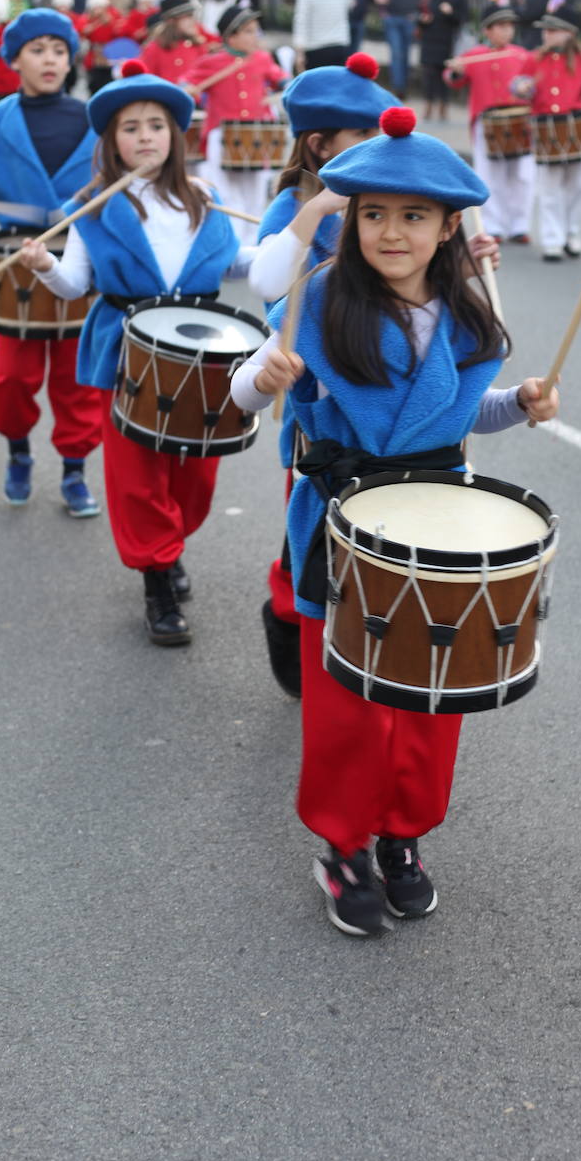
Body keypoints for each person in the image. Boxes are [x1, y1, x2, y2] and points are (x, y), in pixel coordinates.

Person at [231, 108, 559, 936]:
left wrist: (516, 405)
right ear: (351, 217)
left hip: (436, 523)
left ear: (450, 228)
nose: (391, 232)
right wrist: (263, 380)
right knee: (345, 706)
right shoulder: (317, 303)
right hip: (341, 527)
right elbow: (240, 391)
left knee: (428, 698)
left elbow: (455, 417)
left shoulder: (469, 316)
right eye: (373, 213)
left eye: (414, 217)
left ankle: (402, 836)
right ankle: (341, 845)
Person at [16, 63, 253, 644]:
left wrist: (292, 246)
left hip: (204, 350)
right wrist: (45, 265)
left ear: (175, 136)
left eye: (156, 125)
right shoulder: (93, 203)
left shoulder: (204, 196)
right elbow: (76, 281)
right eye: (130, 127)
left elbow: (239, 262)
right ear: (111, 140)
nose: (145, 136)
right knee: (136, 474)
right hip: (127, 347)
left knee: (195, 475)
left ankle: (169, 546)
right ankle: (156, 578)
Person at [248, 52, 398, 696]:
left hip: (388, 400)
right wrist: (314, 217)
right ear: (318, 145)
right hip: (320, 416)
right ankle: (287, 615)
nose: (375, 147)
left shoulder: (382, 204)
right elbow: (264, 282)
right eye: (361, 136)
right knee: (307, 534)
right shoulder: (294, 205)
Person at [0, 8, 104, 516]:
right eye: (38, 50)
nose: (51, 60)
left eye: (59, 50)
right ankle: (18, 452)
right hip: (17, 261)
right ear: (14, 59)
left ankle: (74, 469)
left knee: (75, 381)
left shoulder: (93, 117)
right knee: (10, 379)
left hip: (79, 261)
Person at [182, 4, 286, 242]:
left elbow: (278, 77)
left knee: (256, 194)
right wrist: (186, 89)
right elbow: (187, 83)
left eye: (256, 30)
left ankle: (253, 244)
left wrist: (287, 85)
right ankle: (232, 244)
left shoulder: (262, 58)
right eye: (249, 31)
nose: (255, 37)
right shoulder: (212, 61)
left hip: (257, 135)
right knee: (227, 194)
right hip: (221, 133)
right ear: (232, 36)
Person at [511, 2, 581, 259]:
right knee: (549, 187)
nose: (547, 35)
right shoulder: (534, 59)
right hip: (545, 127)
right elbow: (520, 83)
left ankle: (571, 233)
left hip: (576, 126)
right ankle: (552, 239)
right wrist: (521, 88)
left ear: (569, 33)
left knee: (579, 185)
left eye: (553, 30)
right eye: (545, 30)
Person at [445, 0, 534, 244]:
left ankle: (519, 225)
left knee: (522, 175)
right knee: (489, 174)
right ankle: (493, 226)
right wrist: (457, 70)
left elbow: (535, 83)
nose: (507, 30)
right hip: (487, 121)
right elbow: (452, 78)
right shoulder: (474, 56)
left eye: (509, 26)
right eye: (500, 26)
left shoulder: (522, 56)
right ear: (487, 30)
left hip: (520, 121)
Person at [375, 0, 428, 98]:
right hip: (392, 18)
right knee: (396, 53)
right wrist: (383, 12)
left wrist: (420, 12)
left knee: (406, 53)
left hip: (409, 18)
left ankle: (404, 84)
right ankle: (399, 89)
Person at [418, 0, 468, 121]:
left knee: (444, 72)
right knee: (428, 73)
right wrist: (422, 21)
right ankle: (428, 104)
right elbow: (419, 12)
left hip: (446, 40)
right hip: (429, 39)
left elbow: (463, 18)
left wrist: (451, 12)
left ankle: (443, 105)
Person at [138, 0, 219, 83]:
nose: (193, 21)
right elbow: (144, 81)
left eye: (192, 15)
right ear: (172, 20)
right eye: (188, 16)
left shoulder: (198, 46)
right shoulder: (154, 48)